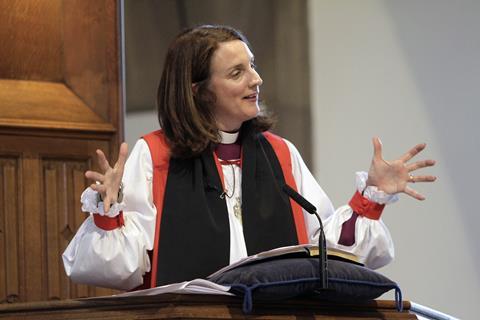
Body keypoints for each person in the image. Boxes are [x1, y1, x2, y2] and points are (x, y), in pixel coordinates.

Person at [62, 25, 436, 291]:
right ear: (199, 91)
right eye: (237, 72)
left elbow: (326, 251)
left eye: (253, 66)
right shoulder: (156, 155)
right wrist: (107, 215)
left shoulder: (279, 154)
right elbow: (122, 269)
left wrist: (370, 200)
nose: (256, 79)